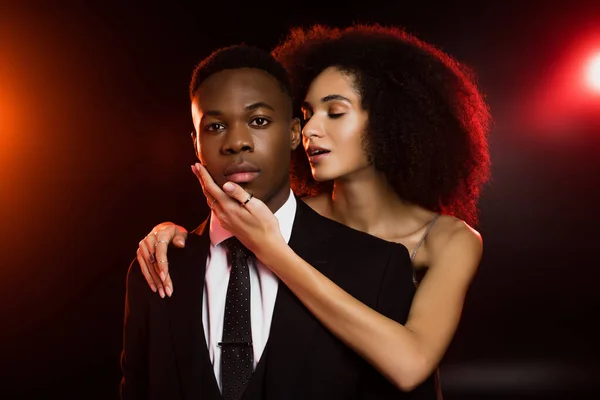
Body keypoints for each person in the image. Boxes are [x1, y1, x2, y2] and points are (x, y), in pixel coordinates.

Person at [137, 24, 491, 395]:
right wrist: (169, 235)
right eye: (306, 113)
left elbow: (410, 365)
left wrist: (273, 251)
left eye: (335, 113)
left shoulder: (450, 239)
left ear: (390, 122)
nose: (310, 129)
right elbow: (221, 248)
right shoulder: (290, 214)